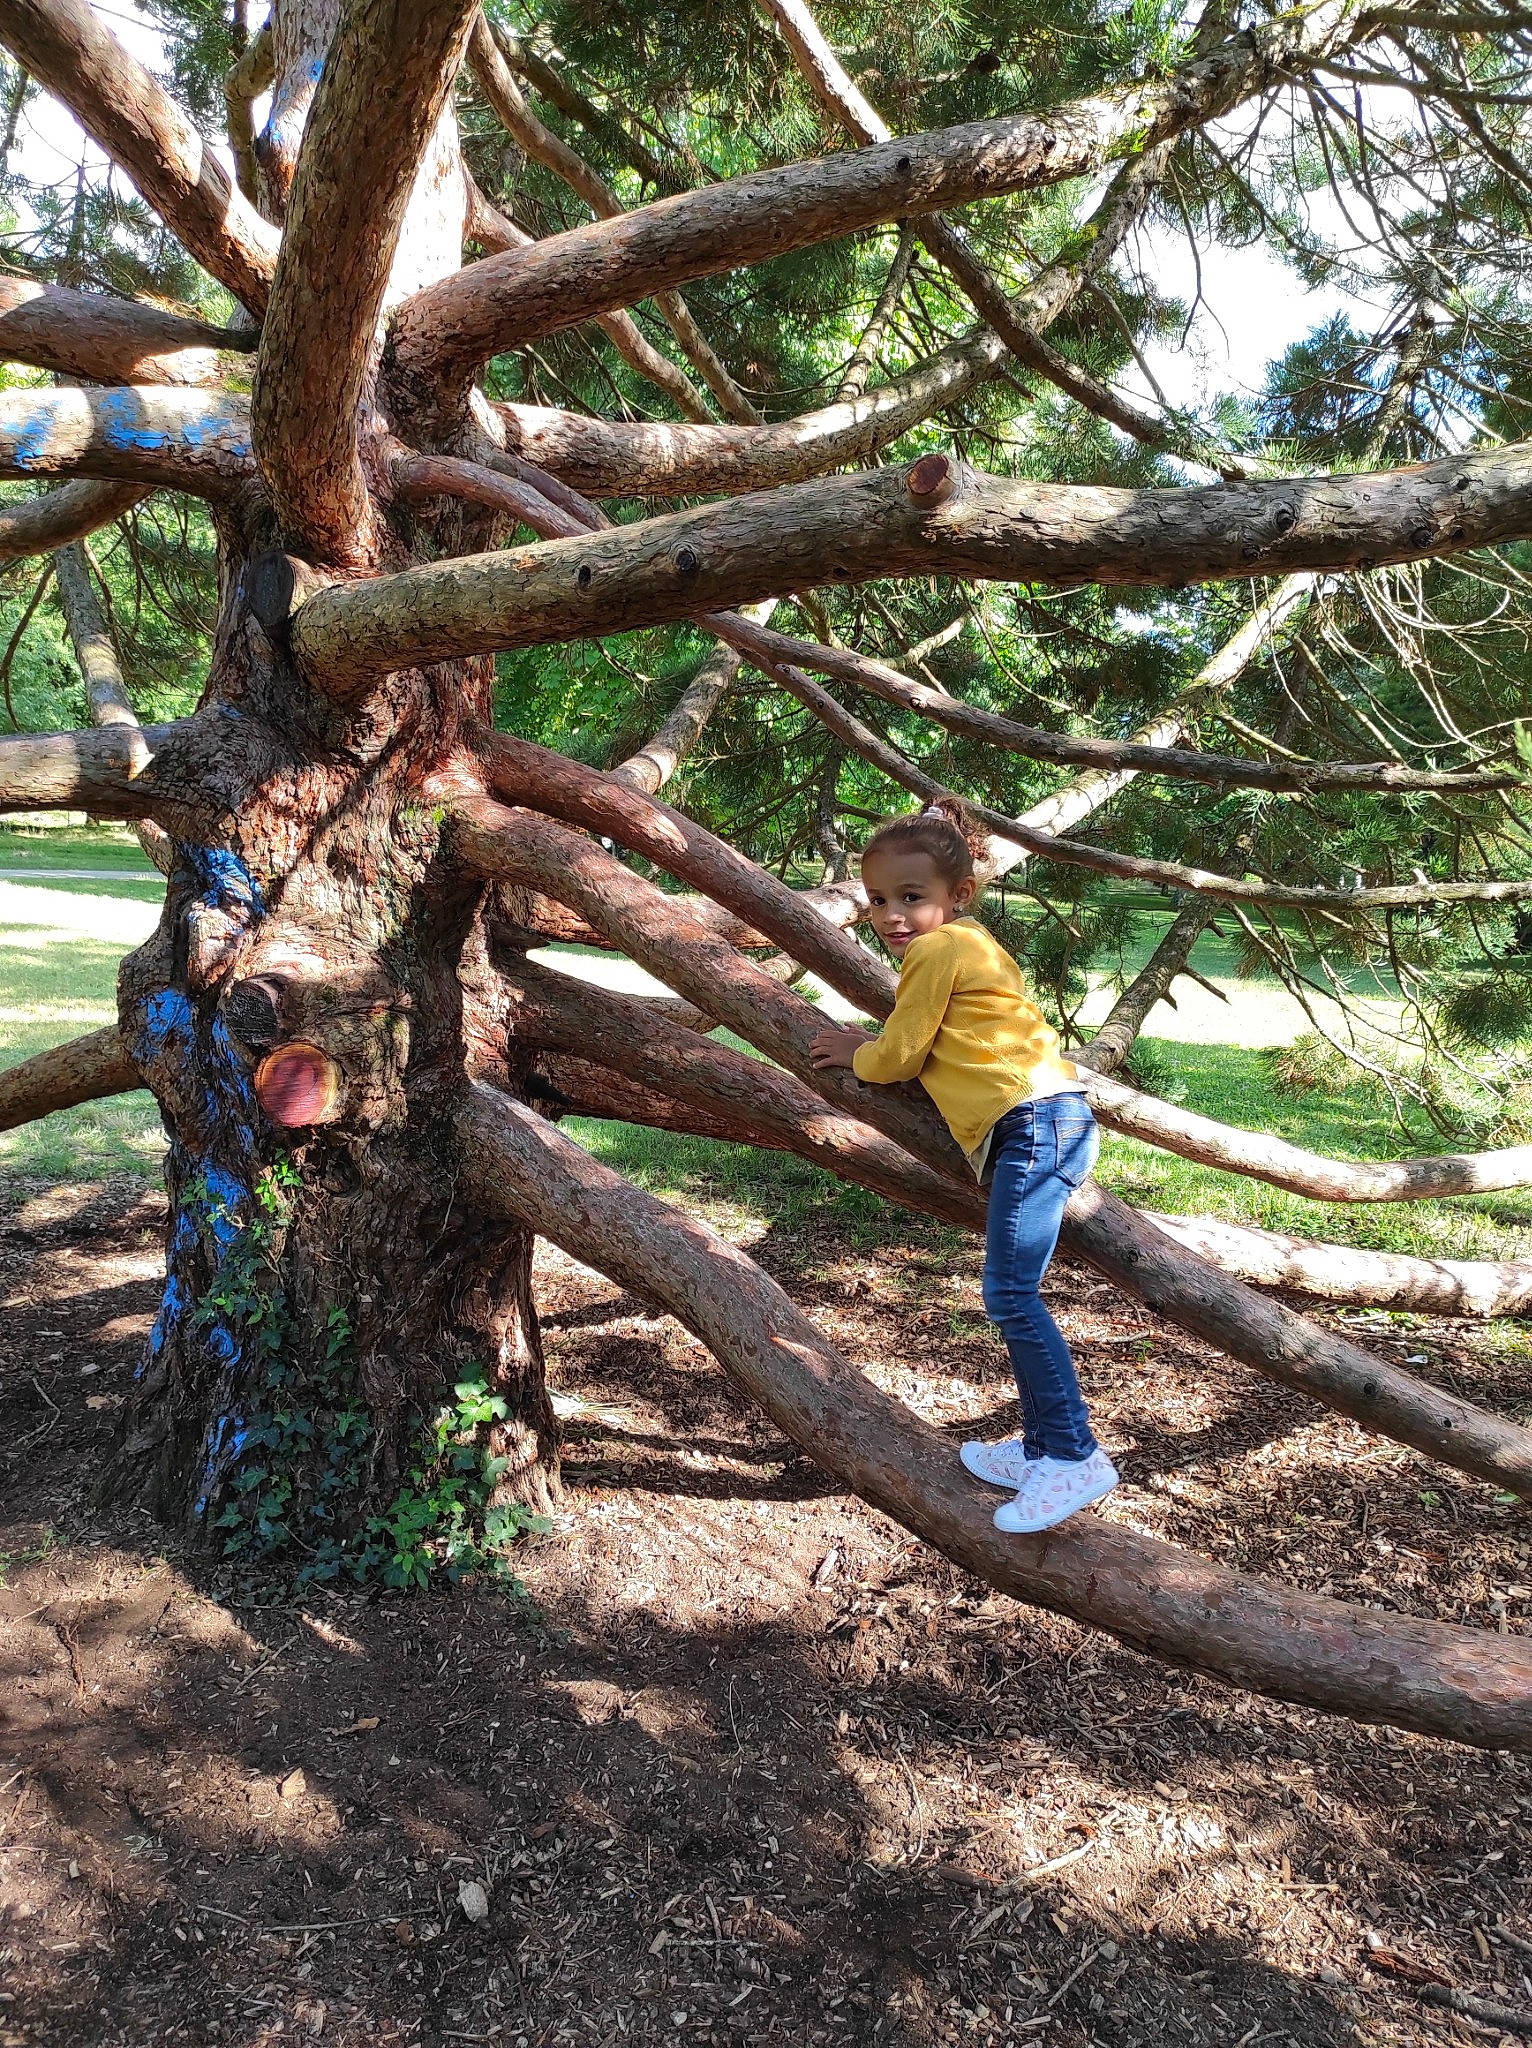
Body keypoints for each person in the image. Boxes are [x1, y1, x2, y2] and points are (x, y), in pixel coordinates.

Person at [809, 799, 1118, 1533]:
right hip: (1044, 1121)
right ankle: (1041, 1446)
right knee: (1012, 1295)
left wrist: (859, 1051)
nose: (893, 916)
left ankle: (1073, 1454)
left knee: (1012, 1296)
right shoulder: (973, 946)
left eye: (912, 899)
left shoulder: (937, 951)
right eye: (880, 900)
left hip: (1036, 1124)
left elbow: (903, 1052)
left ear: (959, 896)